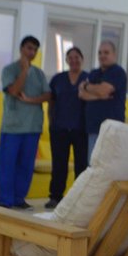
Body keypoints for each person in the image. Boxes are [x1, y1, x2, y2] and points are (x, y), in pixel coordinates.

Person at [0, 35, 49, 209]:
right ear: (21, 49)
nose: (32, 52)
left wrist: (30, 100)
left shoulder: (40, 73)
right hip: (12, 127)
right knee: (8, 164)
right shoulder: (9, 70)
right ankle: (6, 200)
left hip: (32, 127)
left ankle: (19, 198)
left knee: (26, 166)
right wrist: (25, 71)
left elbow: (48, 95)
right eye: (29, 48)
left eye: (35, 50)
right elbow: (13, 90)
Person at [46, 46, 89, 209]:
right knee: (59, 164)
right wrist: (51, 121)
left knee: (82, 165)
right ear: (66, 60)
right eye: (70, 57)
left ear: (82, 59)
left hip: (81, 129)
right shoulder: (58, 79)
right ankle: (55, 197)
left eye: (77, 57)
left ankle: (79, 199)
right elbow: (51, 101)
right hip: (59, 129)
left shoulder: (89, 78)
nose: (74, 60)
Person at [78, 40, 127, 156]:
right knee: (93, 165)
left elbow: (104, 90)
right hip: (93, 129)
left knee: (109, 167)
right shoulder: (94, 73)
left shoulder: (118, 72)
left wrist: (87, 86)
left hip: (111, 130)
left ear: (114, 55)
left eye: (106, 52)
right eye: (100, 53)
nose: (102, 56)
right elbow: (81, 94)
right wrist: (99, 94)